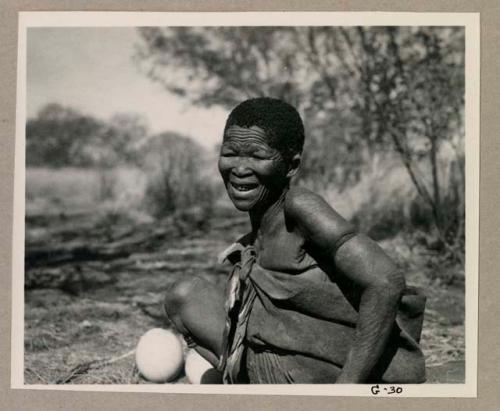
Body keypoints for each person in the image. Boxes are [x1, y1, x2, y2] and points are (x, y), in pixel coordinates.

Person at [164, 97, 426, 384]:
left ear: (291, 166)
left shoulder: (300, 206)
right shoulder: (258, 227)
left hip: (327, 367)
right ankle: (251, 378)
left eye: (256, 156)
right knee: (183, 296)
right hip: (270, 359)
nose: (239, 168)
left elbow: (386, 280)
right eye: (230, 153)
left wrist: (345, 392)